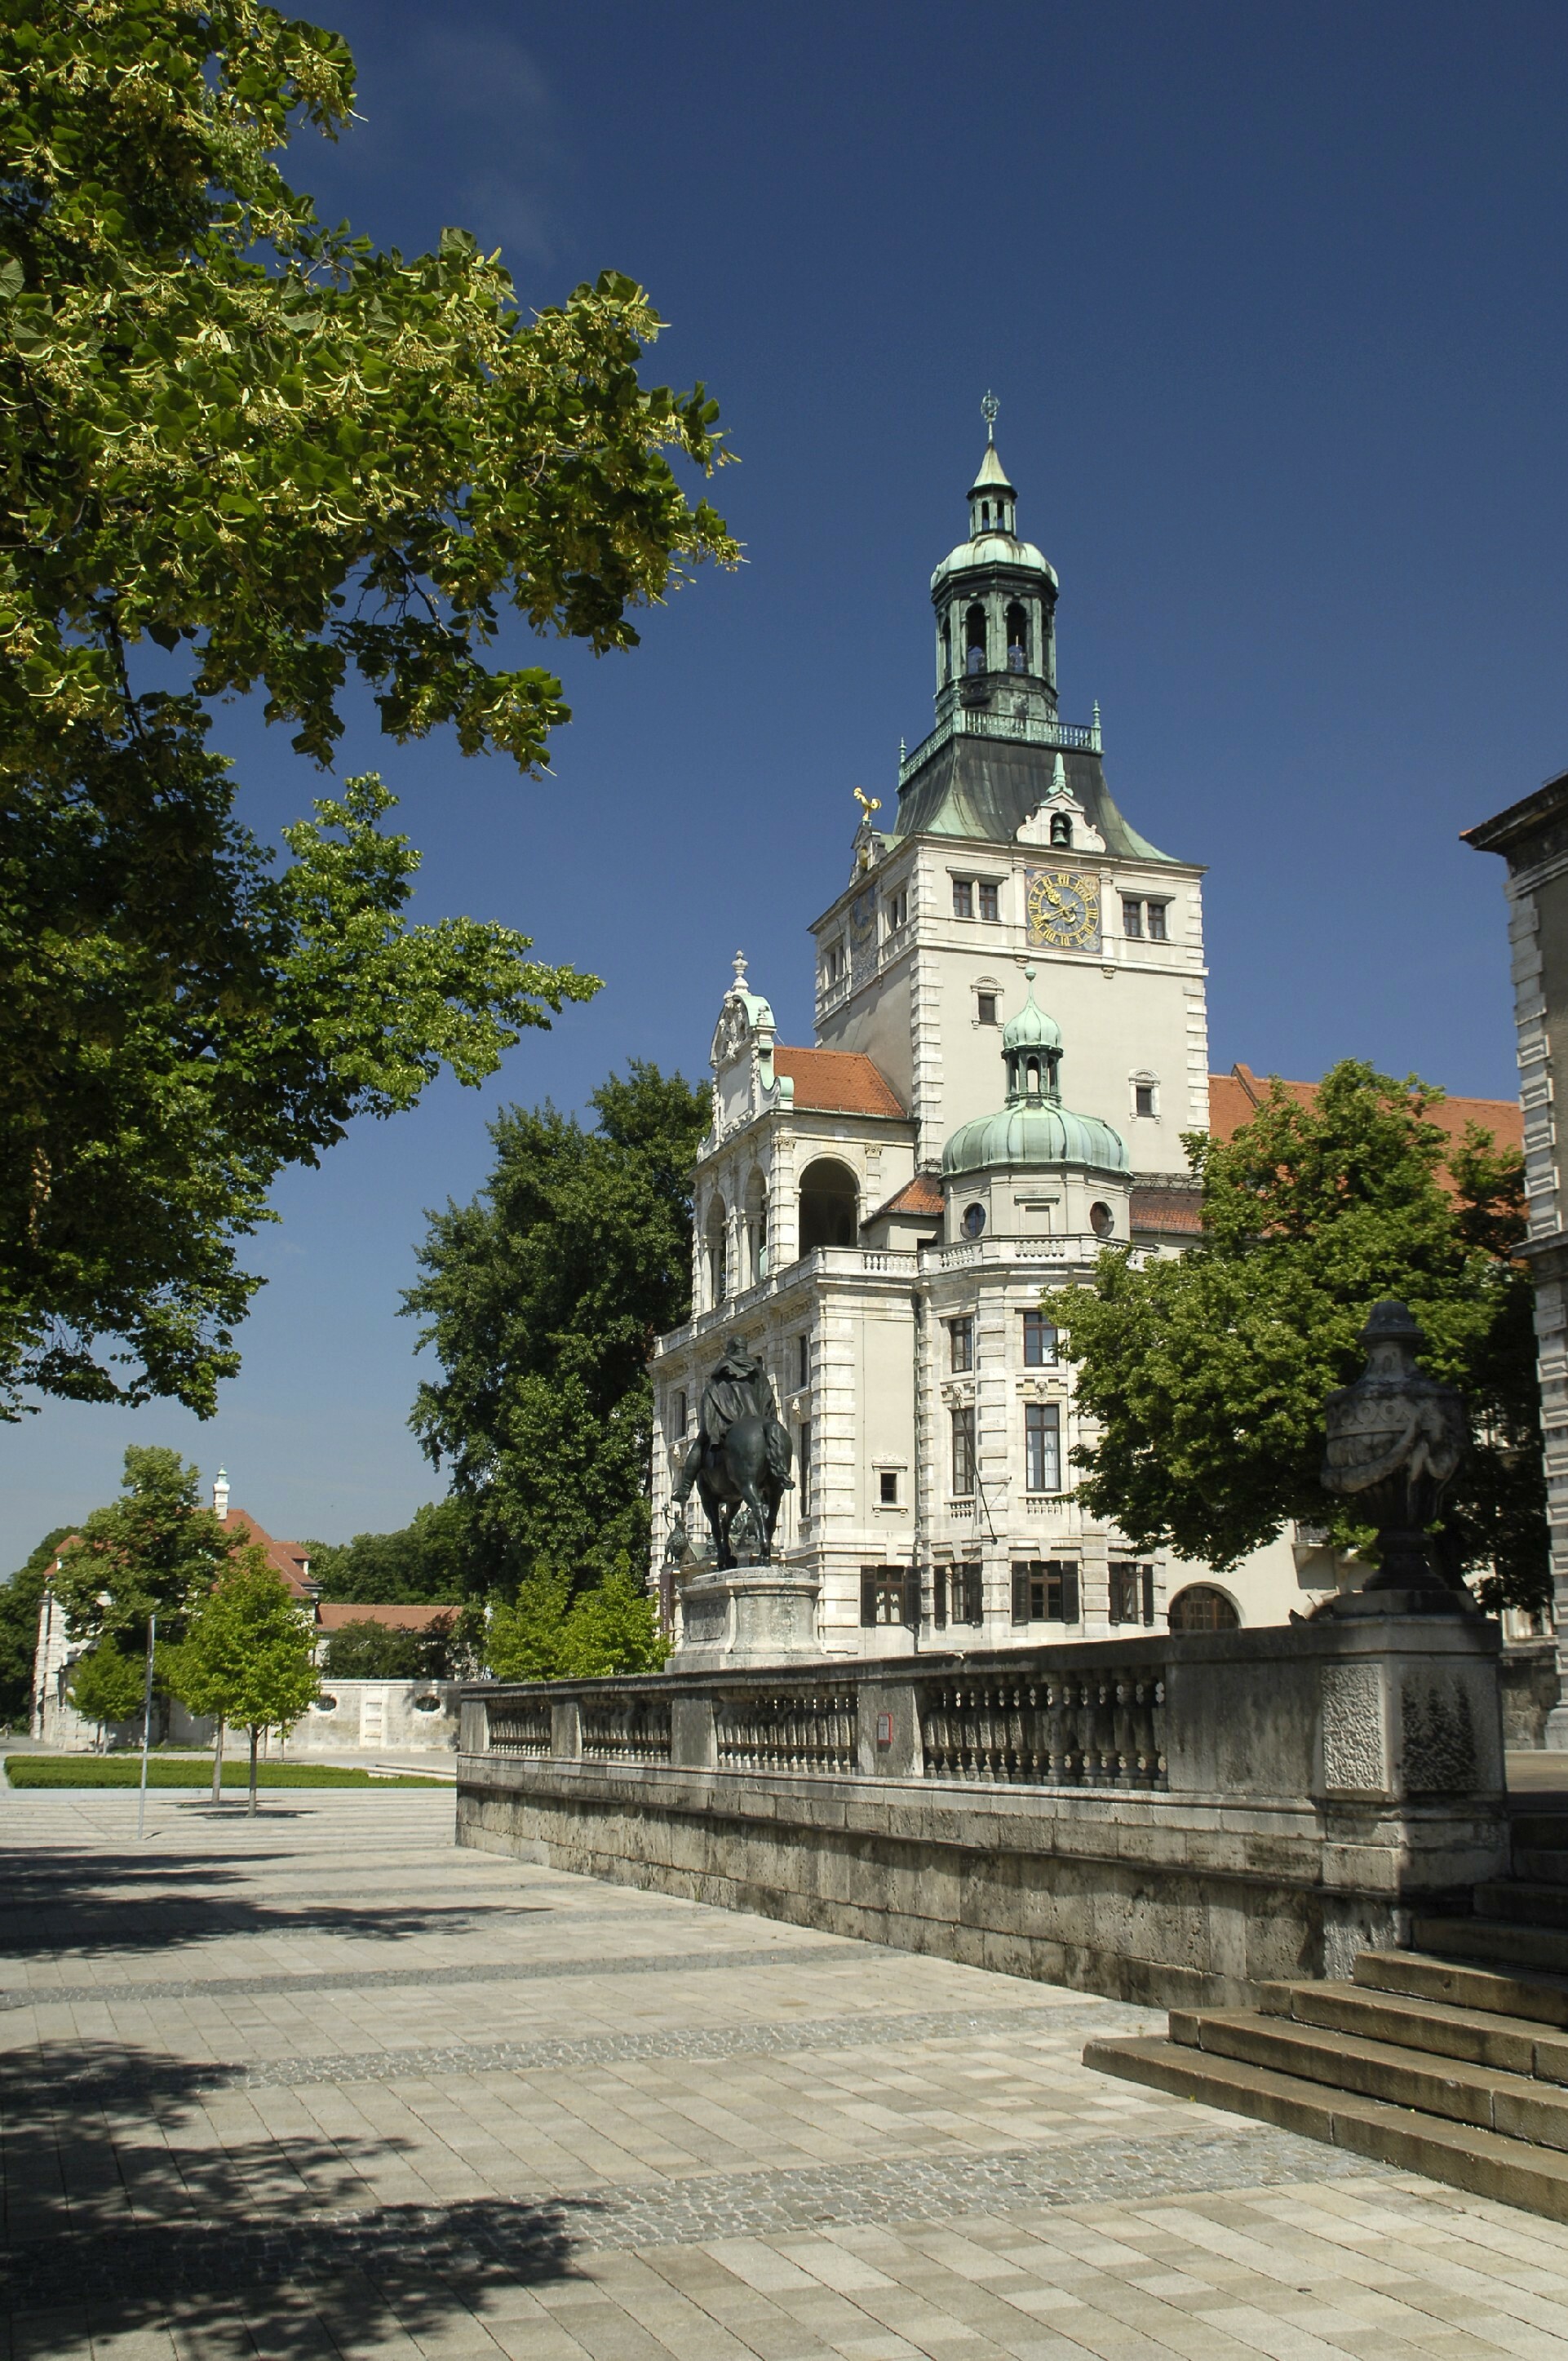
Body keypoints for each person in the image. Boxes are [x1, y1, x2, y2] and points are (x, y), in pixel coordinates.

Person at [675, 1336, 793, 1500]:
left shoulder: (721, 1374)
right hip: (760, 1419)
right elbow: (770, 1403)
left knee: (700, 1443)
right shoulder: (759, 1374)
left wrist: (711, 1430)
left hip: (729, 1423)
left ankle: (685, 1487)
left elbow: (710, 1402)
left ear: (730, 1350)